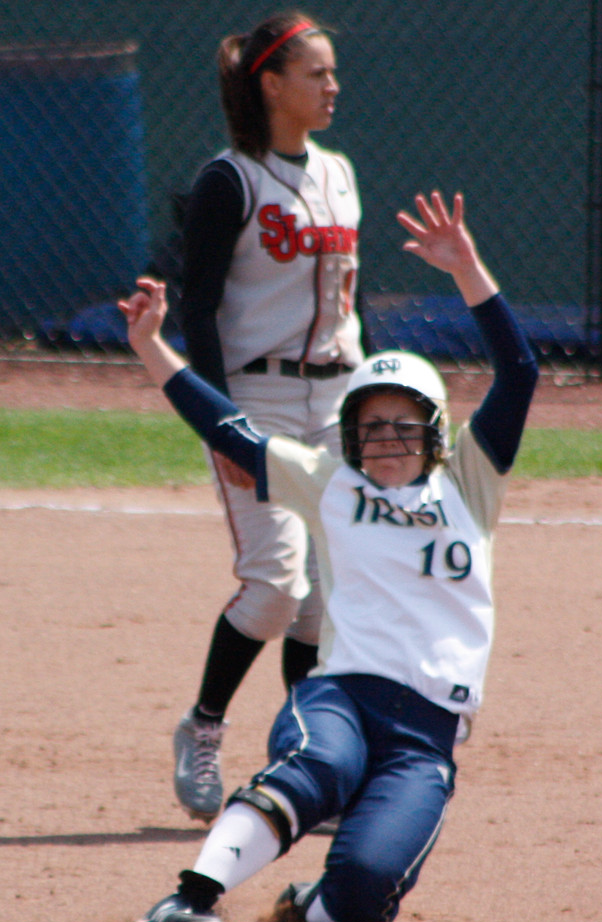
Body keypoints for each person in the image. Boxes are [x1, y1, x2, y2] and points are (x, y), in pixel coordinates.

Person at [119, 189, 538, 922]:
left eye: (402, 422)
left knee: (364, 896)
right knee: (319, 767)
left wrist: (467, 270)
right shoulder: (332, 484)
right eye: (369, 424)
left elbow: (519, 372)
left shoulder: (469, 483)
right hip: (341, 693)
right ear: (348, 435)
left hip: (428, 732)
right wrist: (152, 346)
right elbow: (229, 428)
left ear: (436, 432)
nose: (385, 437)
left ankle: (312, 899)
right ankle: (188, 898)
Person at [173, 11, 368, 823]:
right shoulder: (232, 181)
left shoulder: (338, 173)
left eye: (331, 72)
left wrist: (374, 398)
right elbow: (197, 309)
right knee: (276, 587)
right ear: (272, 85)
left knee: (324, 597)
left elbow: (350, 302)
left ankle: (305, 757)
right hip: (258, 400)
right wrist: (220, 422)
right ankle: (203, 725)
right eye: (316, 73)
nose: (332, 86)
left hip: (337, 398)